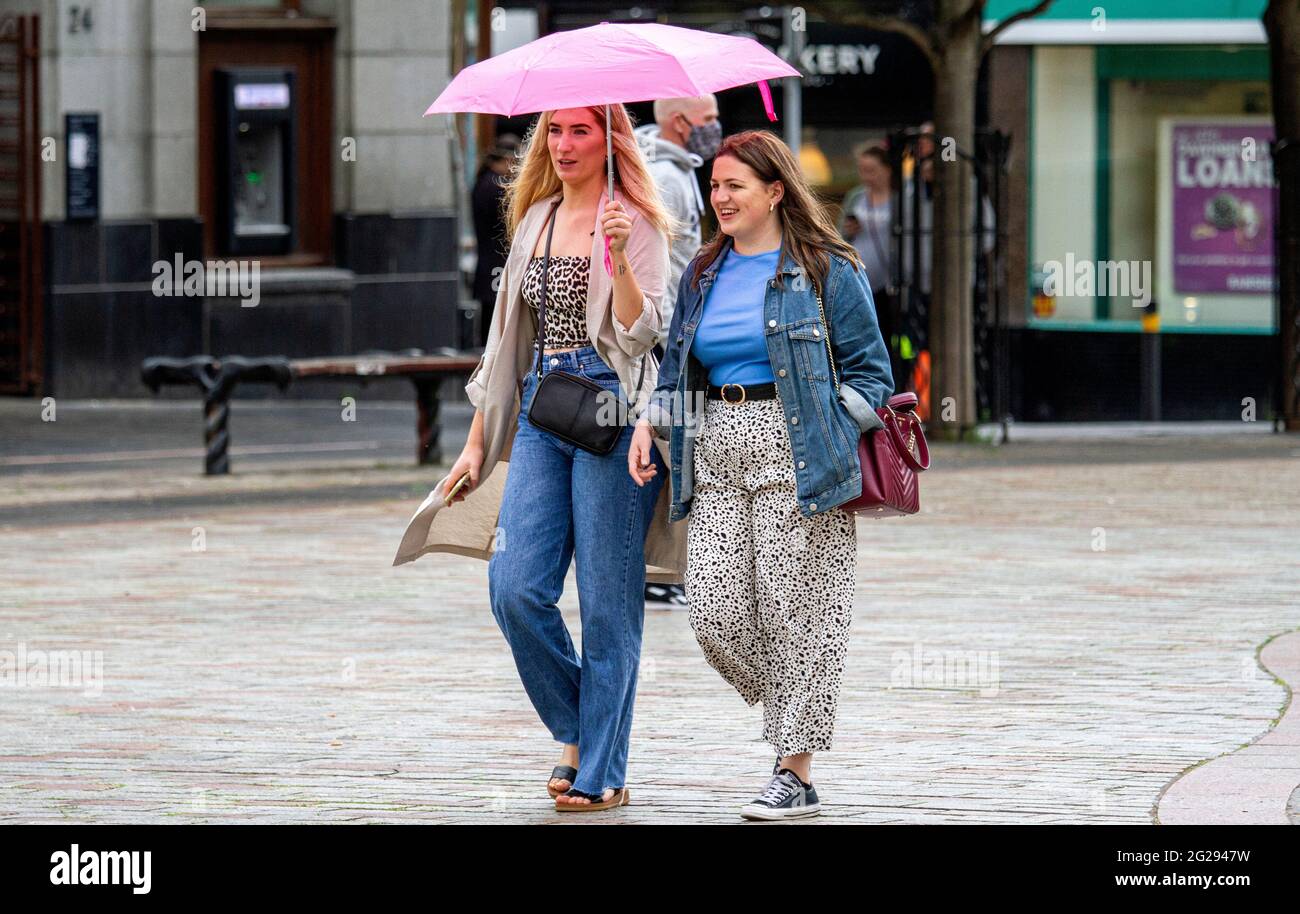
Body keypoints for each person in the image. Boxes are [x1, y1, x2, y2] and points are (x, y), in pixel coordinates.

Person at [628, 130, 894, 820]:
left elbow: (871, 373)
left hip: (799, 451)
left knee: (794, 610)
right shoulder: (703, 272)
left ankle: (793, 770)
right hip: (714, 448)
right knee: (713, 612)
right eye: (714, 186)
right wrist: (648, 424)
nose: (719, 197)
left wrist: (832, 426)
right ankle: (796, 713)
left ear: (775, 191)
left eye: (734, 186)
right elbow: (676, 365)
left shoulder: (827, 267)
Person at [434, 104, 685, 812]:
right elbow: (507, 335)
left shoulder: (635, 219)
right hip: (544, 409)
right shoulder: (537, 219)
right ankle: (581, 728)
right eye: (557, 131)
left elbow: (643, 335)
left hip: (613, 410)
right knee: (514, 587)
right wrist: (479, 439)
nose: (567, 143)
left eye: (583, 131)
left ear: (611, 142)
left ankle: (600, 768)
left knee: (608, 603)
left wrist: (618, 259)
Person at [633, 94, 719, 608]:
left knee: (673, 447)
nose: (714, 128)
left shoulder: (676, 168)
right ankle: (659, 571)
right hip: (670, 332)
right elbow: (663, 263)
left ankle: (665, 569)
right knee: (672, 447)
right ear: (682, 121)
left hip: (674, 327)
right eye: (708, 119)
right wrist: (674, 335)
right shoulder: (665, 176)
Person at [840, 143, 903, 386]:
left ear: (887, 170)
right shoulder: (856, 196)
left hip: (891, 280)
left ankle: (897, 383)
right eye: (862, 170)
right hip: (861, 277)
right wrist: (849, 230)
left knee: (893, 336)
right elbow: (839, 234)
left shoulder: (901, 197)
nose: (867, 176)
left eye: (872, 170)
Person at [470, 133, 520, 347]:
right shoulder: (496, 187)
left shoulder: (483, 181)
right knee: (495, 321)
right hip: (496, 265)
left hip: (487, 264)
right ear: (508, 160)